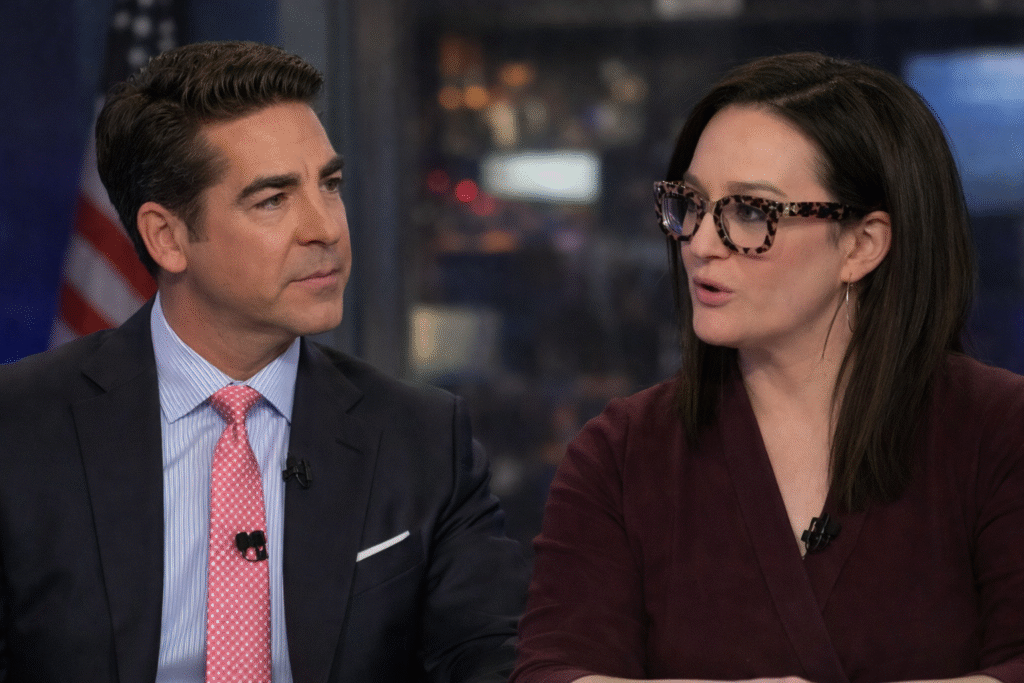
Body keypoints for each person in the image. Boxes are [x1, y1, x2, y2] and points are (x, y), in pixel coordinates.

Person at [0, 41, 526, 682]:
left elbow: (491, 657)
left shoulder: (422, 442)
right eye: (273, 199)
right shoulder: (20, 429)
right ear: (167, 237)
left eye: (329, 186)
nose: (324, 228)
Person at [512, 52, 1024, 683]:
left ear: (862, 245)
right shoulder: (621, 455)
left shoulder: (999, 433)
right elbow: (552, 669)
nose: (700, 243)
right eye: (691, 204)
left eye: (751, 212)